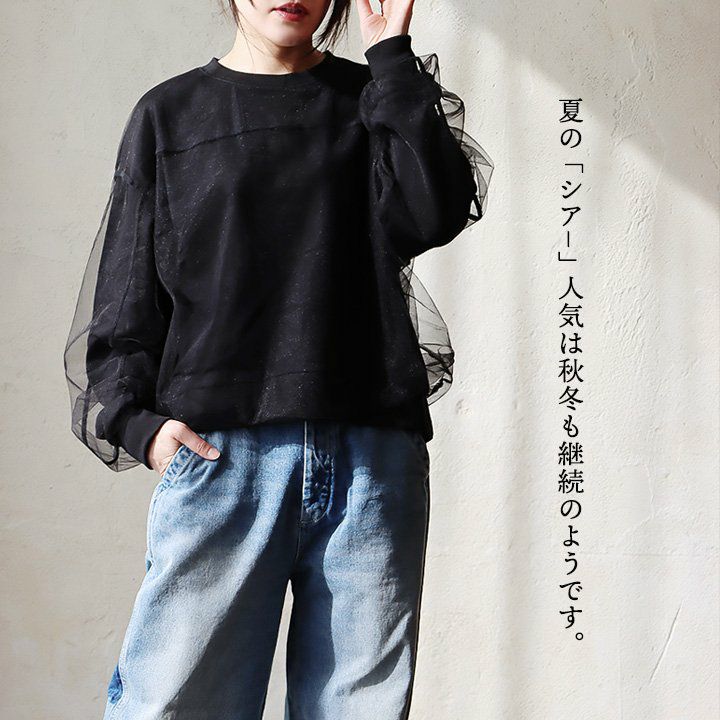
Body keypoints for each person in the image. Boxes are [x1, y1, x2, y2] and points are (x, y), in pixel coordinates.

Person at [64, 0, 493, 717]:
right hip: (222, 460)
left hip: (370, 460)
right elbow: (126, 297)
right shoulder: (170, 114)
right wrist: (141, 427)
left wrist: (391, 58)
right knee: (172, 704)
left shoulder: (373, 97)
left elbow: (435, 212)